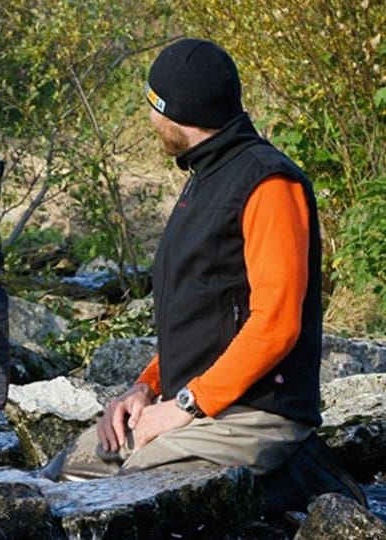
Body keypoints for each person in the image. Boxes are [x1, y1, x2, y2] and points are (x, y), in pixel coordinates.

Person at [47, 38, 366, 514]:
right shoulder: (205, 176)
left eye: (151, 106)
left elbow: (277, 324)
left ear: (176, 113)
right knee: (55, 484)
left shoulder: (268, 183)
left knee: (122, 503)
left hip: (254, 415)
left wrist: (184, 407)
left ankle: (302, 477)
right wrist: (145, 388)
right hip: (196, 406)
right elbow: (202, 316)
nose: (149, 119)